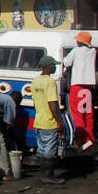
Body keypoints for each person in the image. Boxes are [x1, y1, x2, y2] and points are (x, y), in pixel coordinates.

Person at [30, 55, 67, 184]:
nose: (55, 67)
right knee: (50, 150)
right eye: (53, 65)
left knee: (42, 148)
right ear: (48, 67)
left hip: (39, 121)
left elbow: (35, 103)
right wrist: (59, 121)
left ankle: (44, 174)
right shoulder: (50, 82)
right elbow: (52, 103)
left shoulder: (35, 81)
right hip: (49, 122)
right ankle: (48, 175)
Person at [62, 31, 97, 150]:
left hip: (77, 87)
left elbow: (66, 62)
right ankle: (91, 136)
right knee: (88, 113)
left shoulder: (76, 51)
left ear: (80, 41)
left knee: (77, 114)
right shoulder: (93, 51)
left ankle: (84, 140)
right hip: (88, 87)